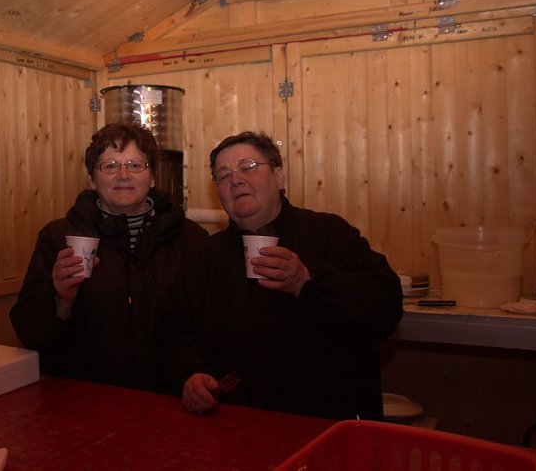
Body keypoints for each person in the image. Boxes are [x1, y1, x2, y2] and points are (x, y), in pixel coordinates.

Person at [159, 131, 402, 420]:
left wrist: (308, 283)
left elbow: (385, 308)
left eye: (248, 167)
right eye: (223, 175)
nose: (235, 180)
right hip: (237, 425)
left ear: (279, 176)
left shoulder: (329, 234)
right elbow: (177, 332)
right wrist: (193, 375)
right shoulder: (205, 256)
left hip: (326, 425)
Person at [10, 122, 209, 392]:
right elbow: (31, 334)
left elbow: (209, 327)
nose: (123, 175)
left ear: (152, 177)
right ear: (92, 179)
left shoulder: (190, 239)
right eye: (111, 166)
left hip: (170, 399)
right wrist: (60, 299)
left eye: (135, 165)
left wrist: (196, 375)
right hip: (82, 400)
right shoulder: (59, 237)